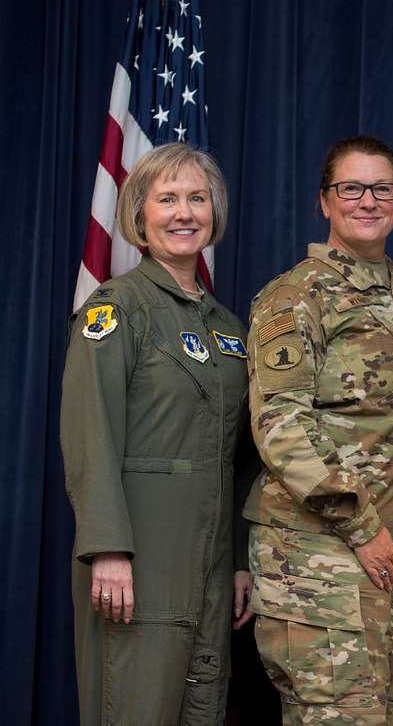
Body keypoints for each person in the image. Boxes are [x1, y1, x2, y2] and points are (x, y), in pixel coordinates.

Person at [244, 136, 393, 725]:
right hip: (323, 558)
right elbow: (280, 424)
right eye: (351, 188)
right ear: (324, 201)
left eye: (381, 188)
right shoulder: (298, 295)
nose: (368, 200)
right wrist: (362, 526)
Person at [61, 143, 258, 725]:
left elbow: (242, 456)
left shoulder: (228, 328)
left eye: (197, 198)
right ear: (138, 215)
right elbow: (89, 430)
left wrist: (241, 560)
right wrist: (107, 548)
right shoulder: (117, 308)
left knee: (204, 709)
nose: (184, 213)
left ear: (214, 213)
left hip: (212, 569)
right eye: (167, 199)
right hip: (137, 565)